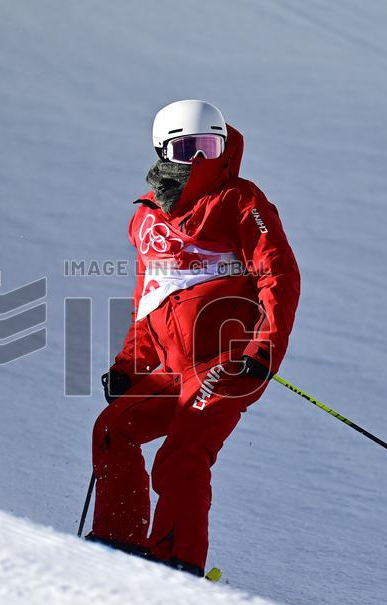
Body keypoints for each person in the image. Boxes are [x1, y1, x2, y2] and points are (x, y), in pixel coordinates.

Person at [87, 100, 301, 576]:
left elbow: (278, 275)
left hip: (229, 361)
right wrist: (130, 366)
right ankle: (116, 545)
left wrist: (262, 349)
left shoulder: (240, 201)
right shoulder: (147, 220)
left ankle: (173, 566)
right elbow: (150, 296)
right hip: (173, 368)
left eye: (210, 146)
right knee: (112, 429)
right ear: (163, 150)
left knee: (181, 456)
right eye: (189, 148)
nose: (201, 160)